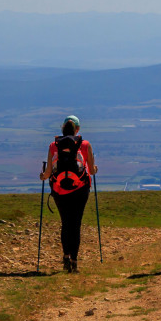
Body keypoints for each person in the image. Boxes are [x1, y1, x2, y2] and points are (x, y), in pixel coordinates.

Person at [42, 115, 96, 272]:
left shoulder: (54, 145)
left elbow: (48, 172)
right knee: (76, 224)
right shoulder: (85, 145)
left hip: (59, 190)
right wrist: (95, 169)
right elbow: (91, 171)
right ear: (77, 129)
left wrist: (43, 176)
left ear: (62, 128)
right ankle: (74, 261)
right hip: (80, 188)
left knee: (66, 223)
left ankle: (65, 257)